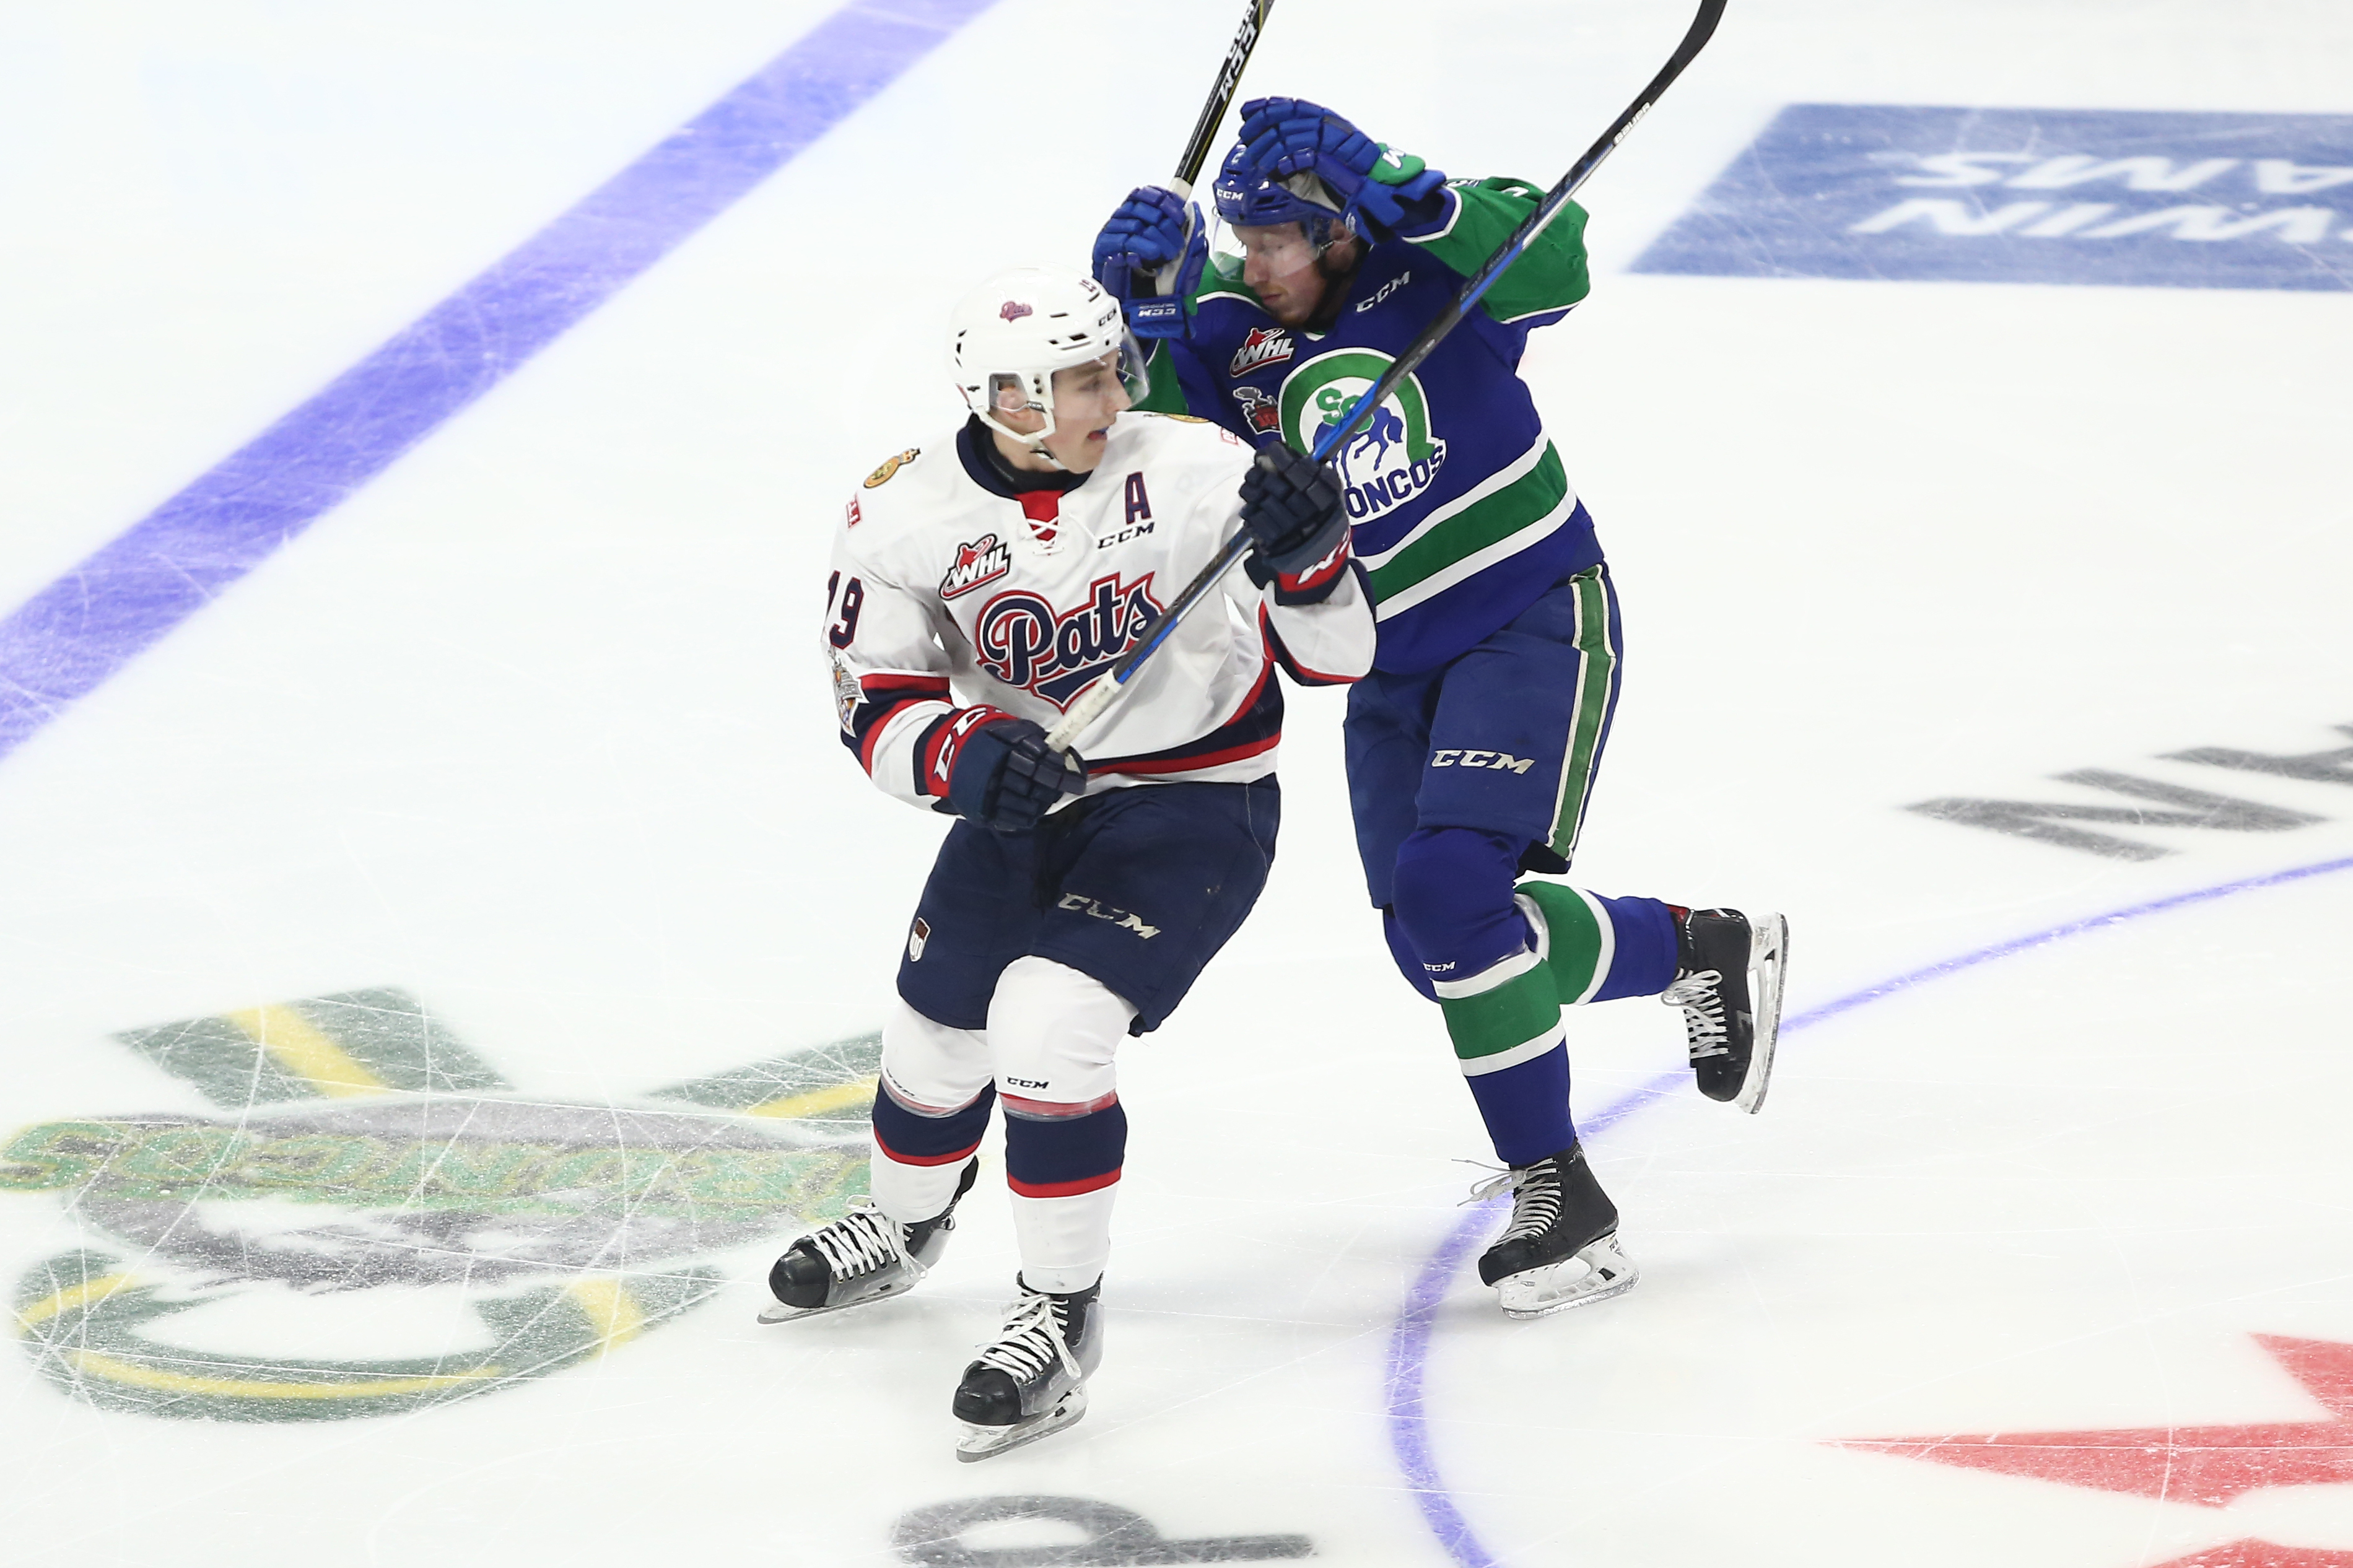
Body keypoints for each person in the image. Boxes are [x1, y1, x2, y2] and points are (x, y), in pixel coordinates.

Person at [1091, 99, 1789, 1320]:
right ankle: (1695, 948)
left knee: (1452, 889)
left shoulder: (1428, 263)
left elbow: (1558, 257)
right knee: (1440, 949)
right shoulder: (1226, 316)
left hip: (1525, 610)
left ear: (1340, 231)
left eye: (1279, 241)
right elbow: (1177, 479)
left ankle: (1562, 1196)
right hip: (1383, 658)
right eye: (1244, 242)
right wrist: (1142, 329)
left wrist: (1402, 182)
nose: (1257, 264)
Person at [767, 265, 1375, 1459]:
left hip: (1194, 803)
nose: (1119, 395)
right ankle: (904, 1226)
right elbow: (872, 704)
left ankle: (1059, 1313)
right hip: (1027, 808)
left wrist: (1313, 558)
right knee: (932, 1038)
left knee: (1046, 1028)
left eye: (1113, 369)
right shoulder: (899, 513)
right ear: (1010, 400)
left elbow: (1340, 658)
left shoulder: (1196, 468)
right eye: (1086, 380)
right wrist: (960, 754)